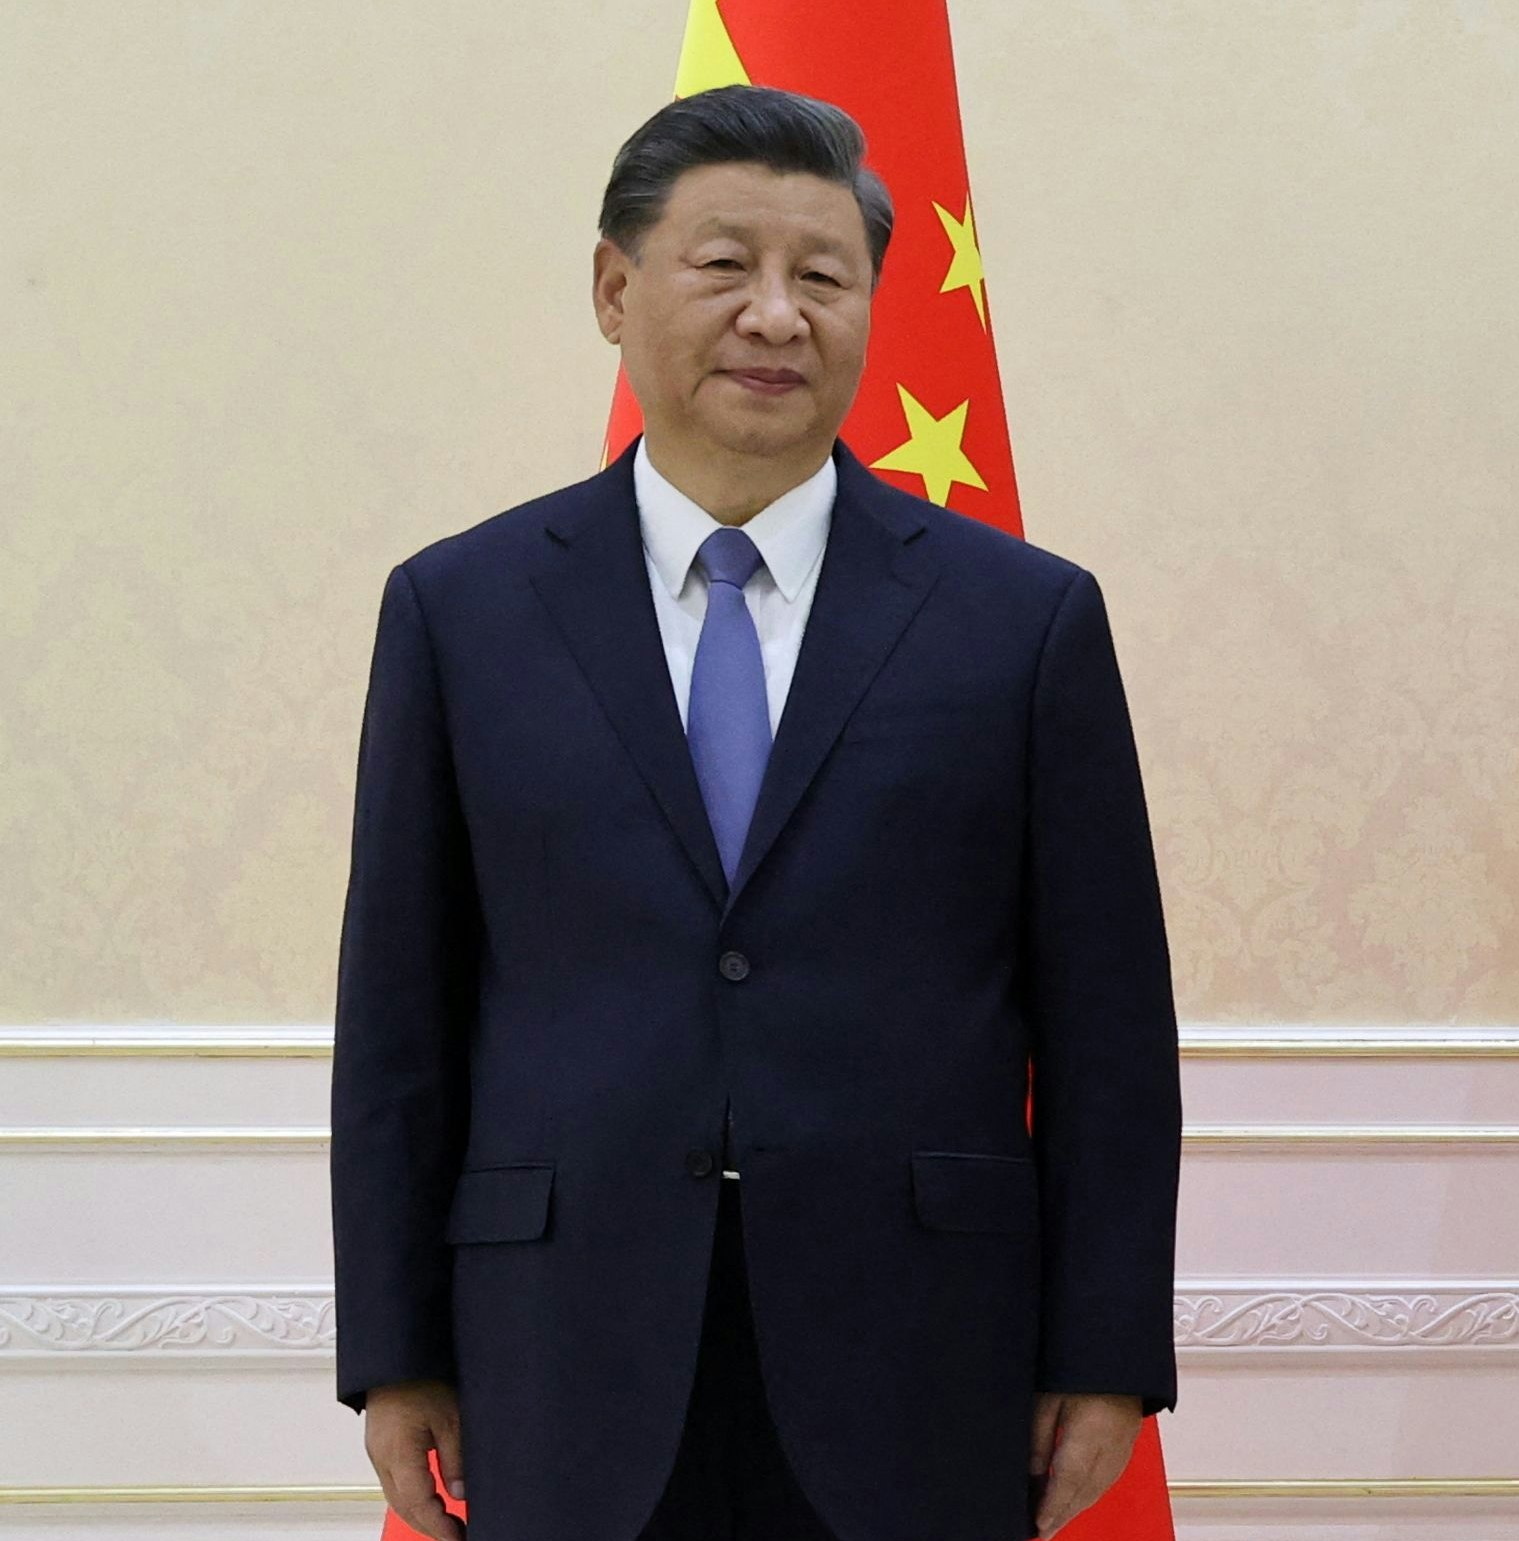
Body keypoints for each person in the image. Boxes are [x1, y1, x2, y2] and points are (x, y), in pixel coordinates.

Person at [331, 86, 1180, 1541]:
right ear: (615, 288)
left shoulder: (1022, 621)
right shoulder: (461, 612)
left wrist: (1104, 1356)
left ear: (868, 306)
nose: (777, 316)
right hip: (561, 1341)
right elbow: (402, 1011)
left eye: (823, 276)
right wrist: (394, 1348)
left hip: (918, 1348)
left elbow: (1106, 1023)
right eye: (725, 265)